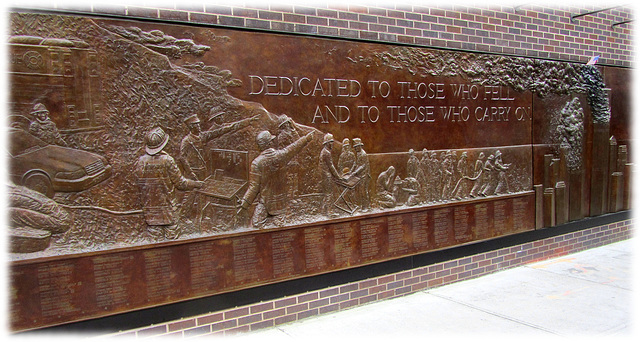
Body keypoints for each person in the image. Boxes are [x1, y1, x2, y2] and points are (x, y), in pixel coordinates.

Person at [136, 127, 203, 239]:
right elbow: (181, 184)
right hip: (168, 209)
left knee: (154, 242)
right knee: (172, 241)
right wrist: (196, 184)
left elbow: (140, 184)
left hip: (150, 210)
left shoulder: (141, 161)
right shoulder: (167, 160)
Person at [238, 130, 314, 228]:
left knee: (256, 224)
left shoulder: (257, 163)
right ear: (269, 143)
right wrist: (306, 139)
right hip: (280, 203)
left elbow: (254, 188)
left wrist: (245, 203)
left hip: (265, 203)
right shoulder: (281, 155)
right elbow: (294, 147)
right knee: (279, 227)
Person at [179, 113, 254, 181]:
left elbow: (222, 130)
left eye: (198, 124)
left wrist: (247, 121)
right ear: (191, 126)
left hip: (203, 169)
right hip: (193, 171)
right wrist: (190, 172)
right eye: (196, 125)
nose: (199, 126)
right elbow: (182, 157)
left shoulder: (203, 136)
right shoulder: (186, 141)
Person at [318, 133, 344, 216]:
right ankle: (330, 212)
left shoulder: (324, 151)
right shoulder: (326, 153)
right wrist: (338, 176)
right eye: (331, 142)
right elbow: (331, 166)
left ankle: (323, 211)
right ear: (327, 143)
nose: (332, 144)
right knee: (329, 194)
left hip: (324, 175)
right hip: (327, 176)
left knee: (327, 193)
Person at [351, 138, 371, 212]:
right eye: (354, 147)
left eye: (356, 147)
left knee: (363, 191)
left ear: (360, 146)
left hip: (364, 175)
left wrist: (355, 172)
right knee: (360, 191)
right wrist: (351, 171)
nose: (355, 148)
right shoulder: (358, 153)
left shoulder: (363, 154)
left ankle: (366, 207)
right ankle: (363, 206)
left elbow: (362, 166)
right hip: (360, 175)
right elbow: (356, 163)